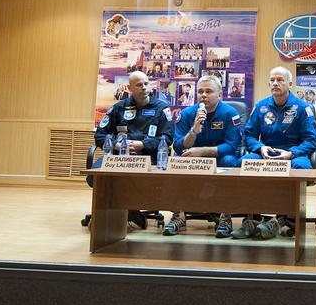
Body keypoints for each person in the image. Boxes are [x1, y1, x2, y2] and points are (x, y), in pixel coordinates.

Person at [238, 66, 316, 240]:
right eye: (272, 80)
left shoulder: (303, 108)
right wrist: (260, 147)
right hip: (266, 152)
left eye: (280, 80)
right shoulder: (261, 106)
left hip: (294, 153)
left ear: (290, 84)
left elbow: (312, 140)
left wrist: (291, 153)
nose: (275, 83)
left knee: (301, 169)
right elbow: (249, 135)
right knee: (242, 163)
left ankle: (285, 218)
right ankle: (251, 219)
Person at [87, 70, 173, 228]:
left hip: (148, 157)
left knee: (134, 179)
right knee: (95, 176)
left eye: (146, 84)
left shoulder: (161, 108)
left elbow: (167, 138)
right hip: (118, 156)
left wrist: (144, 145)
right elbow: (100, 135)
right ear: (129, 88)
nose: (144, 87)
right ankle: (126, 212)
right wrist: (116, 145)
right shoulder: (119, 107)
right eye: (139, 85)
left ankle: (124, 210)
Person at [165, 75, 243, 237]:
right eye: (200, 91)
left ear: (219, 94)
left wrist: (202, 151)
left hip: (219, 157)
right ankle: (179, 215)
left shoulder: (230, 113)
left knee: (229, 161)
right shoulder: (187, 114)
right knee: (176, 161)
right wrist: (194, 130)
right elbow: (178, 146)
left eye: (209, 91)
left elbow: (232, 146)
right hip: (191, 157)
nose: (203, 95)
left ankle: (225, 216)